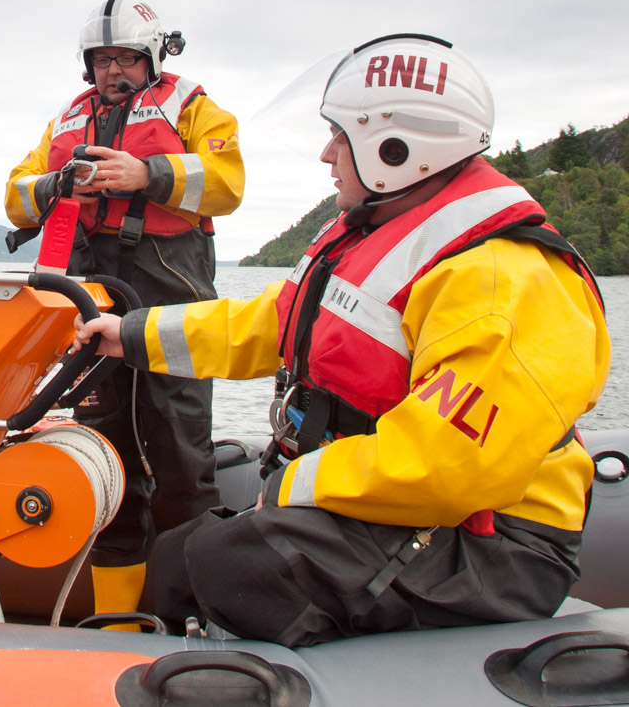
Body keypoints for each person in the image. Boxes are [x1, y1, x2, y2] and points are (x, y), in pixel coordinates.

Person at [72, 34, 610, 646]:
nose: (328, 154)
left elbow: (443, 467)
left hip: (492, 544)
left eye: (340, 136)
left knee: (231, 561)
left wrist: (285, 490)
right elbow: (276, 323)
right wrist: (131, 333)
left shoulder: (501, 278)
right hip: (416, 509)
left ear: (396, 150)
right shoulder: (375, 230)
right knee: (176, 556)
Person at [5, 0, 246, 620]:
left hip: (171, 299)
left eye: (127, 59)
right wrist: (59, 183)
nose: (114, 71)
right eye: (103, 60)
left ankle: (193, 618)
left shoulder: (195, 108)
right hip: (90, 301)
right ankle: (119, 624)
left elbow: (228, 184)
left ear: (153, 58)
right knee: (108, 470)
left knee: (182, 465)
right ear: (89, 65)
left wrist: (147, 175)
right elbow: (16, 197)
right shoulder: (65, 121)